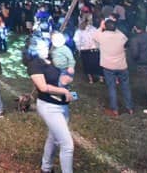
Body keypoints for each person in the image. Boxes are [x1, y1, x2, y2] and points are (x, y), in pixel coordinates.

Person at [28, 36, 74, 173]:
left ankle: (46, 168)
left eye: (45, 45)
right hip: (49, 107)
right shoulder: (35, 64)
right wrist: (63, 90)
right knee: (67, 145)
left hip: (62, 105)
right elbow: (42, 87)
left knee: (54, 138)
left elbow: (64, 75)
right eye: (41, 46)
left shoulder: (53, 59)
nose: (45, 48)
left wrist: (67, 79)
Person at [94, 18, 133, 116]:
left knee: (112, 87)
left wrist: (101, 26)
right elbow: (124, 37)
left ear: (105, 27)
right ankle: (130, 108)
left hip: (108, 66)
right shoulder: (121, 36)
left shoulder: (102, 36)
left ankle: (115, 109)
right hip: (121, 65)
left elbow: (95, 35)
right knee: (126, 87)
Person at [73, 17, 103, 84]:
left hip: (87, 50)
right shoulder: (92, 29)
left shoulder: (81, 31)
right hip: (92, 50)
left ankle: (93, 80)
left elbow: (77, 41)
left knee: (89, 66)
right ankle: (98, 79)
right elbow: (98, 38)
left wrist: (79, 49)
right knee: (94, 65)